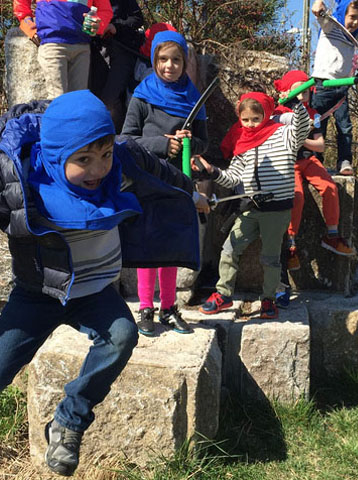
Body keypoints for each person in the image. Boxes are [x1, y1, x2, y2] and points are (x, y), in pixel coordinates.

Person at [0, 90, 207, 477]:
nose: (98, 169)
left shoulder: (122, 155)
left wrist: (192, 193)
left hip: (96, 291)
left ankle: (69, 421)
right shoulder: (8, 173)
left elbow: (161, 172)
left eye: (103, 155)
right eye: (83, 160)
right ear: (55, 154)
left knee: (123, 335)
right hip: (38, 292)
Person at [121, 30, 209, 336]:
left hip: (179, 181)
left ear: (184, 62)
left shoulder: (194, 99)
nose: (169, 65)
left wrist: (189, 143)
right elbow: (127, 139)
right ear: (154, 60)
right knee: (149, 245)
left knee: (170, 243)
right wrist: (162, 145)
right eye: (163, 59)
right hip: (148, 178)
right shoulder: (142, 96)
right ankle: (145, 307)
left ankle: (169, 308)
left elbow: (204, 143)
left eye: (176, 60)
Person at [195, 91, 312, 319]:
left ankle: (268, 299)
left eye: (255, 119)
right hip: (250, 208)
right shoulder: (243, 143)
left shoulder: (284, 135)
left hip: (276, 212)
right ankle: (223, 294)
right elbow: (233, 177)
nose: (250, 124)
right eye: (245, 119)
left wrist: (296, 103)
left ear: (266, 115)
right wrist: (212, 172)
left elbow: (302, 127)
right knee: (230, 248)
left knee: (270, 257)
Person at [272, 70, 356, 307]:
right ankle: (291, 245)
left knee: (329, 187)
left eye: (307, 89)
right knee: (296, 196)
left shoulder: (314, 114)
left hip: (309, 159)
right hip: (288, 161)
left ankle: (331, 234)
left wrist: (302, 138)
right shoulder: (279, 112)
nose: (305, 94)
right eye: (300, 89)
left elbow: (319, 145)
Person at [310, 0, 358, 175]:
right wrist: (318, 5)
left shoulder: (355, 34)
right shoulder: (330, 27)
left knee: (345, 127)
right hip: (322, 85)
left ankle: (344, 161)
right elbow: (318, 11)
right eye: (352, 17)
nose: (355, 22)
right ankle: (314, 161)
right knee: (319, 124)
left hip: (341, 87)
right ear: (342, 13)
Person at [14, 0, 114, 99]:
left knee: (79, 99)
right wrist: (28, 25)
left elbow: (105, 10)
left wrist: (98, 25)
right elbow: (21, 4)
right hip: (53, 44)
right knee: (57, 98)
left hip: (82, 46)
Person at [88, 0, 145, 132]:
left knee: (110, 98)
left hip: (122, 49)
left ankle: (115, 138)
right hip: (94, 51)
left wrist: (115, 27)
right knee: (94, 99)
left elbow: (137, 19)